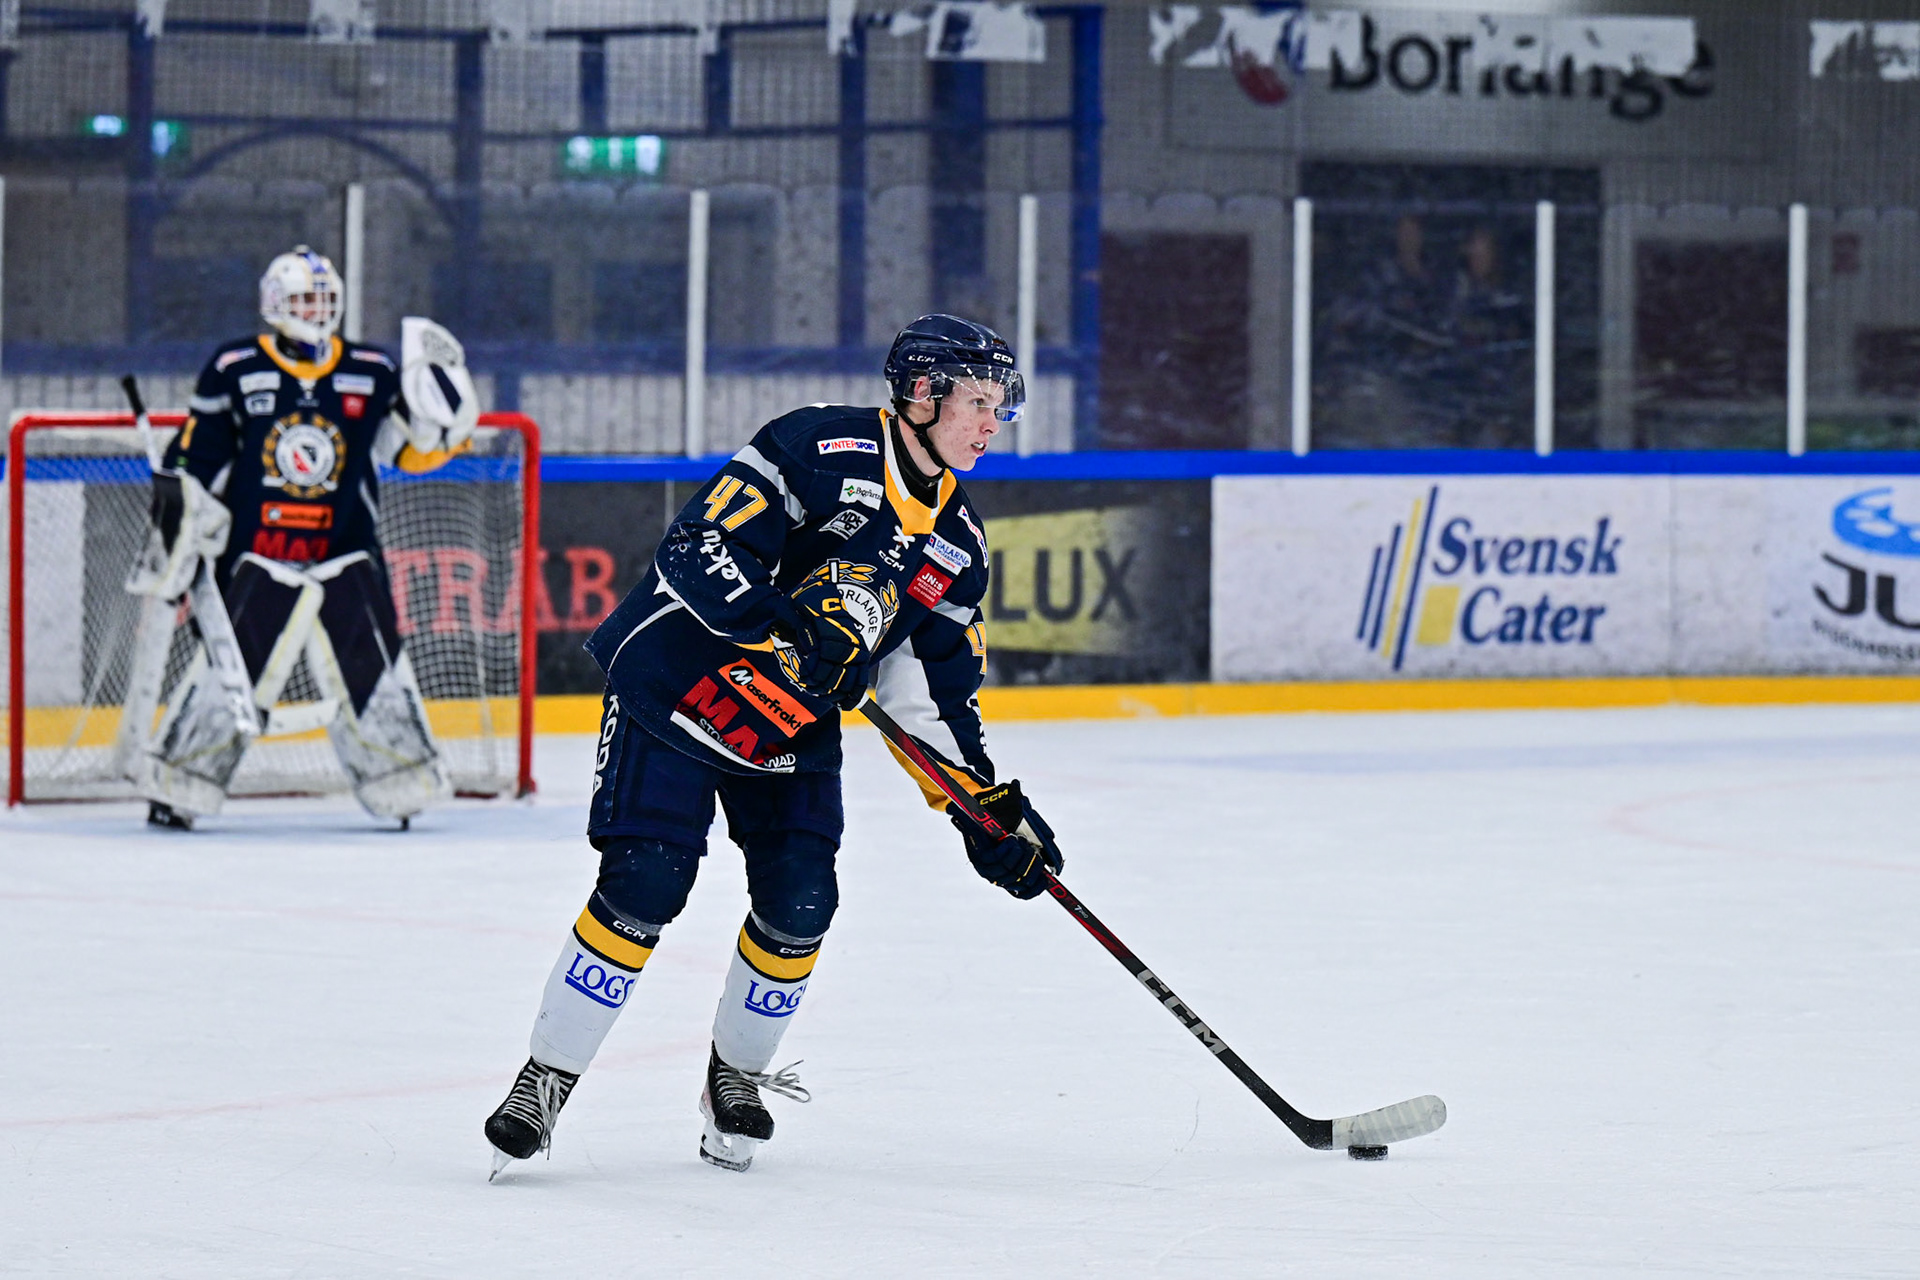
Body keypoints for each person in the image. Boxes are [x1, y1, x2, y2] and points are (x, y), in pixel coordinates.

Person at [482, 314, 1065, 1177]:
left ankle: (736, 1077)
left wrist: (981, 811)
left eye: (998, 406)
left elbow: (931, 697)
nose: (992, 422)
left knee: (801, 903)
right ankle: (546, 1078)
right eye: (977, 401)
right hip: (677, 691)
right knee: (645, 882)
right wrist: (791, 625)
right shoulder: (817, 448)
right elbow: (697, 547)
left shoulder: (957, 547)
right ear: (921, 393)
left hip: (788, 728)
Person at [135, 246, 480, 828]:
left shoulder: (373, 369)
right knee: (228, 676)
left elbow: (405, 451)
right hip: (256, 554)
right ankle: (179, 788)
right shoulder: (235, 367)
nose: (316, 311)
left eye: (324, 300)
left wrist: (445, 432)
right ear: (274, 304)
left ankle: (399, 784)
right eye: (303, 300)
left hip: (346, 549)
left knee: (374, 672)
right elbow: (198, 457)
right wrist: (182, 518)